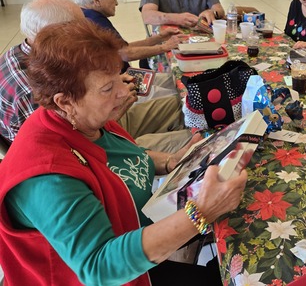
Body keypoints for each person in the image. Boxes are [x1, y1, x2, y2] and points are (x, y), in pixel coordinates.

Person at [0, 19, 247, 285]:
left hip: (138, 243)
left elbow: (116, 161)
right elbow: (99, 268)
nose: (122, 91)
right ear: (65, 101)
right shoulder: (47, 178)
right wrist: (200, 214)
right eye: (107, 88)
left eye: (118, 77)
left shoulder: (83, 119)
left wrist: (170, 161)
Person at [0, 0, 191, 153]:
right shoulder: (30, 89)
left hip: (97, 124)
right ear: (51, 34)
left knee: (184, 106)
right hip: (91, 147)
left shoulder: (39, 53)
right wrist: (116, 108)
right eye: (80, 27)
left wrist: (108, 87)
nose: (87, 31)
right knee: (192, 140)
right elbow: (67, 150)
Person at [71, 0, 188, 102]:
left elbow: (122, 48)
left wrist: (159, 38)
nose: (116, 2)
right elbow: (126, 53)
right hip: (123, 87)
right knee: (183, 97)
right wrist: (164, 47)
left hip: (128, 78)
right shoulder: (95, 22)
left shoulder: (88, 15)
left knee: (178, 80)